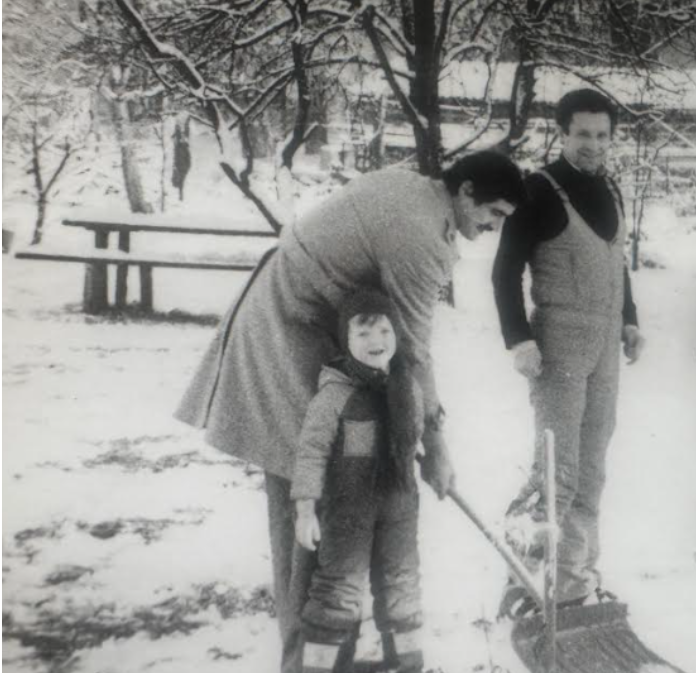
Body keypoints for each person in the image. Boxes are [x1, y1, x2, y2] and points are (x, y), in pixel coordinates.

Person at [175, 151, 527, 673]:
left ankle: (324, 654)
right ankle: (306, 661)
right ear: (466, 191)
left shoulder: (416, 192)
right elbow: (411, 349)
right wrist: (437, 444)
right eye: (492, 213)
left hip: (314, 326)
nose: (493, 227)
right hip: (287, 330)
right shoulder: (420, 234)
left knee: (340, 487)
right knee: (311, 489)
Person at [492, 89, 645, 617]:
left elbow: (616, 261)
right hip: (558, 340)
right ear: (561, 132)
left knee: (593, 468)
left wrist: (630, 320)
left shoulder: (611, 190)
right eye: (582, 134)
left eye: (603, 135)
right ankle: (523, 583)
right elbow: (505, 268)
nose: (593, 145)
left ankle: (574, 584)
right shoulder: (539, 189)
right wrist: (519, 339)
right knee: (556, 470)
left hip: (604, 343)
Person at [292, 291, 424, 673]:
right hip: (348, 513)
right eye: (363, 333)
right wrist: (305, 509)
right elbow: (311, 452)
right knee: (338, 591)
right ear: (345, 340)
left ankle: (408, 664)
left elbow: (417, 434)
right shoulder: (334, 394)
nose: (376, 341)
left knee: (402, 587)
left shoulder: (407, 387)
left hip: (399, 507)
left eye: (384, 330)